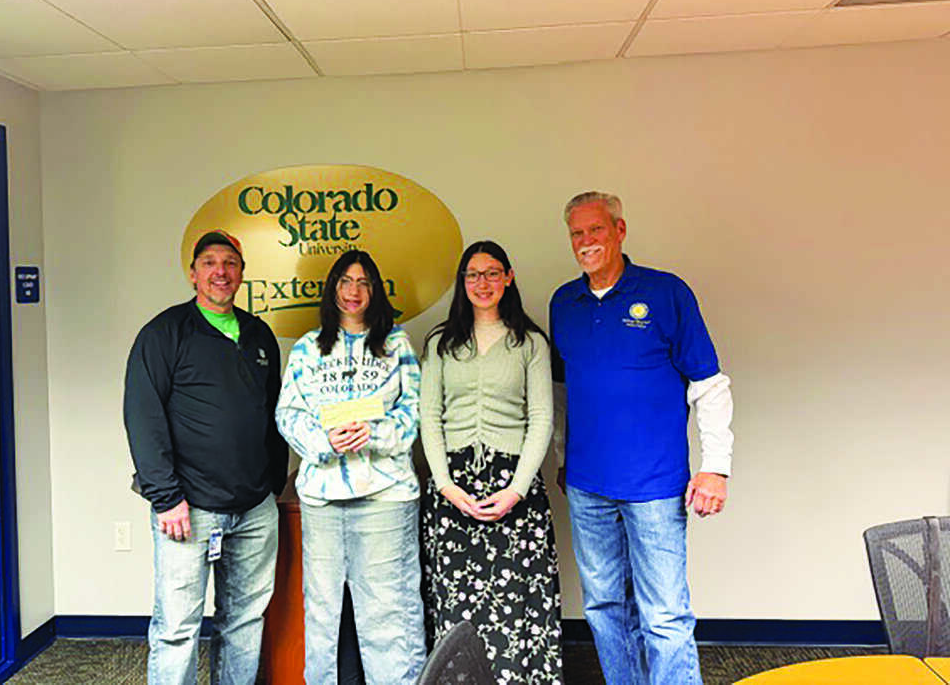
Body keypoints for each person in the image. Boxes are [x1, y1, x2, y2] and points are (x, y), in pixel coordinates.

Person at [550, 192, 734, 685]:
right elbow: (565, 393)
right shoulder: (563, 302)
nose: (586, 242)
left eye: (595, 230)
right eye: (577, 233)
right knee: (606, 607)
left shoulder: (666, 292)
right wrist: (565, 459)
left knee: (664, 615)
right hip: (588, 486)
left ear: (619, 230)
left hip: (654, 485)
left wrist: (715, 467)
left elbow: (709, 384)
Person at [124, 230, 287, 685]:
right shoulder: (164, 333)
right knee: (178, 629)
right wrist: (165, 498)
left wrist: (273, 484)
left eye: (231, 263)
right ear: (193, 273)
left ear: (242, 273)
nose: (221, 272)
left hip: (254, 509)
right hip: (187, 509)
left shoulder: (259, 335)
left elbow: (274, 412)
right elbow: (143, 416)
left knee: (244, 622)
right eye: (211, 263)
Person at [275, 249, 426, 685]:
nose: (353, 291)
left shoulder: (396, 343)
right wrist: (323, 443)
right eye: (344, 281)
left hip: (386, 498)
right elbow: (289, 413)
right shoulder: (307, 348)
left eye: (363, 282)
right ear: (332, 289)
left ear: (375, 290)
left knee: (389, 614)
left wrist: (373, 435)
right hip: (323, 501)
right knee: (321, 614)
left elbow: (414, 411)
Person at [420, 241, 563, 684]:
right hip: (454, 489)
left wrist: (517, 489)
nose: (482, 283)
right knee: (457, 601)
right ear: (462, 283)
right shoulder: (442, 343)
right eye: (472, 275)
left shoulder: (530, 343)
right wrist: (445, 484)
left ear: (508, 278)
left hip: (513, 486)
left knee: (517, 599)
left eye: (491, 273)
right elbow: (430, 416)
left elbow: (541, 418)